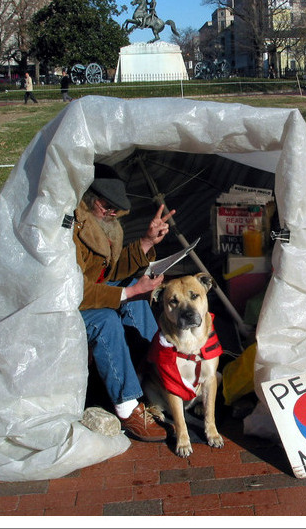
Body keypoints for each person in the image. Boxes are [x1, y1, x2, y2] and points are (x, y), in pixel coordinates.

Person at [73, 162, 176, 441]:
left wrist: (145, 242)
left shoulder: (104, 224)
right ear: (88, 201)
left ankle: (151, 372)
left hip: (89, 293)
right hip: (66, 305)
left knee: (133, 290)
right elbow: (74, 290)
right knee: (106, 319)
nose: (112, 213)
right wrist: (128, 293)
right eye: (107, 207)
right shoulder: (71, 229)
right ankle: (127, 406)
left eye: (116, 209)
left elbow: (109, 272)